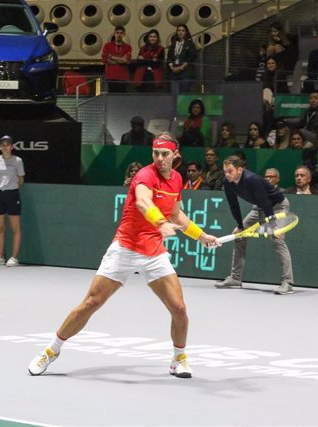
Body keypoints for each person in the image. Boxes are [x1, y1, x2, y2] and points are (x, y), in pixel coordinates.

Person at [27, 133, 220, 378]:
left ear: (175, 156)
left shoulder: (177, 179)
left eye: (165, 154)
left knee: (179, 308)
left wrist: (201, 236)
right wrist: (159, 222)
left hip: (154, 252)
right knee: (91, 303)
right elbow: (142, 202)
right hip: (126, 248)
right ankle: (51, 350)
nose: (159, 159)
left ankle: (179, 358)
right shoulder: (144, 175)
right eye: (156, 153)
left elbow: (177, 215)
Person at [215, 155, 295, 295]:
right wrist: (240, 226)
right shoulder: (227, 182)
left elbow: (265, 202)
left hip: (277, 207)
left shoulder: (251, 179)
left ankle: (288, 282)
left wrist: (274, 226)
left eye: (230, 171)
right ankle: (235, 278)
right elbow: (233, 204)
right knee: (239, 236)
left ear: (239, 169)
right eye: (225, 171)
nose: (227, 174)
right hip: (258, 207)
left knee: (277, 240)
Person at [0, 135, 25, 267]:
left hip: (12, 194)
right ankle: (0, 257)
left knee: (15, 228)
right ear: (0, 147)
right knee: (0, 227)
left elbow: (21, 180)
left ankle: (14, 258)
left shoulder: (18, 161)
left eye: (8, 144)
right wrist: (1, 187)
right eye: (3, 145)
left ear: (12, 146)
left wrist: (10, 188)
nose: (5, 147)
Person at [166, 24, 198, 93]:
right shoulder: (173, 43)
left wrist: (181, 67)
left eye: (183, 30)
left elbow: (192, 57)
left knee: (183, 96)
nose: (180, 32)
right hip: (173, 73)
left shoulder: (190, 43)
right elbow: (169, 57)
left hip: (186, 73)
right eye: (179, 30)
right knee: (173, 96)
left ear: (186, 32)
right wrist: (172, 67)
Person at [101, 26, 132, 93]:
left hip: (123, 77)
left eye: (121, 33)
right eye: (117, 33)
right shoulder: (107, 45)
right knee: (111, 98)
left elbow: (126, 60)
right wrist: (121, 59)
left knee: (122, 99)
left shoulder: (127, 47)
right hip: (111, 77)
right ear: (114, 34)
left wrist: (112, 57)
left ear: (124, 34)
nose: (119, 35)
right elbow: (105, 60)